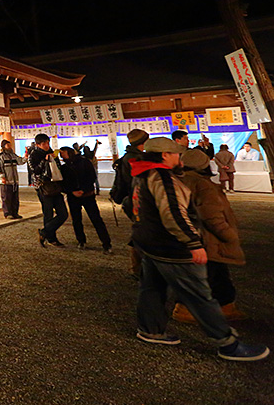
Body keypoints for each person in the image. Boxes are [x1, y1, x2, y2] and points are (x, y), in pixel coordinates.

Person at [130, 137, 268, 361]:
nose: (179, 157)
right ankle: (228, 344)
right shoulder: (163, 177)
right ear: (164, 155)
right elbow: (173, 213)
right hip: (171, 247)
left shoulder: (141, 173)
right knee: (199, 295)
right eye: (176, 153)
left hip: (149, 243)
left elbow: (131, 205)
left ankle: (150, 330)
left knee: (151, 288)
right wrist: (193, 243)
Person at [174, 149, 248, 323]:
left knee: (203, 274)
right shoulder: (203, 185)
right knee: (215, 274)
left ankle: (188, 308)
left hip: (188, 236)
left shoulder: (178, 181)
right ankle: (198, 310)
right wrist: (229, 235)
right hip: (207, 238)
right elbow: (211, 216)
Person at [110, 129, 149, 279]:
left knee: (139, 230)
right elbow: (135, 182)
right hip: (136, 200)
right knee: (140, 232)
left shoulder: (128, 156)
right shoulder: (135, 159)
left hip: (131, 199)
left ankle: (138, 267)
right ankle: (137, 267)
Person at [59, 147, 112, 253]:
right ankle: (81, 240)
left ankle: (106, 243)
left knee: (96, 219)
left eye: (63, 153)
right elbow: (63, 183)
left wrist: (83, 190)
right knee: (76, 220)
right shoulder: (64, 167)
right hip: (73, 197)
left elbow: (92, 177)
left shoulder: (84, 162)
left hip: (87, 195)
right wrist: (71, 191)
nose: (62, 155)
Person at [27, 133, 67, 248]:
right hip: (43, 187)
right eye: (44, 143)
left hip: (56, 185)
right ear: (38, 144)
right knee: (48, 213)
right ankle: (51, 238)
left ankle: (44, 232)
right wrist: (44, 161)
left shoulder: (51, 152)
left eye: (47, 143)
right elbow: (35, 171)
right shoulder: (33, 155)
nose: (46, 145)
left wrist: (55, 158)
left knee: (63, 214)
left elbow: (58, 168)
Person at [0, 139, 24, 220]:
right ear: (3, 146)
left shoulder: (13, 155)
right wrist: (2, 177)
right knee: (6, 198)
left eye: (10, 145)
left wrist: (25, 157)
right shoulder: (0, 156)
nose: (10, 146)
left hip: (14, 180)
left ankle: (15, 213)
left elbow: (20, 161)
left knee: (15, 198)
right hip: (6, 181)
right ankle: (7, 213)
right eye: (8, 145)